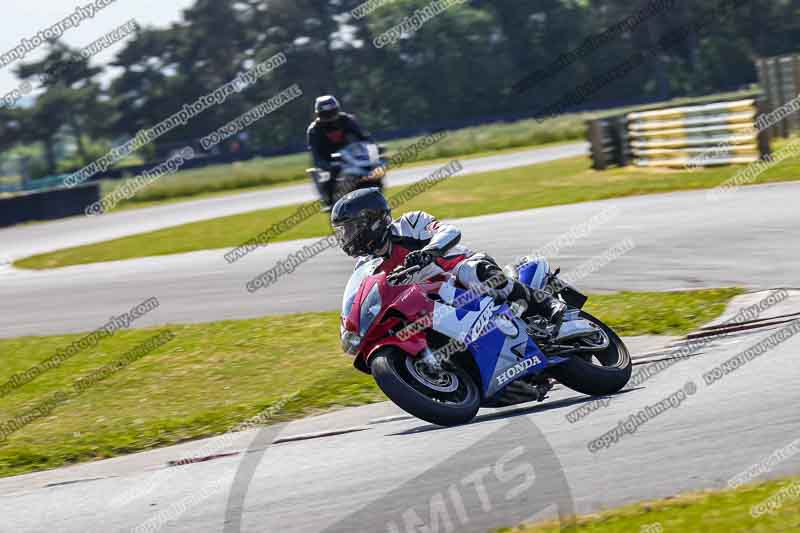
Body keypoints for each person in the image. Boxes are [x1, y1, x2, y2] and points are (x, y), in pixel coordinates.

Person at [330, 187, 571, 333]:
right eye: (342, 232)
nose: (347, 238)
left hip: (460, 273)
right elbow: (365, 297)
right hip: (434, 299)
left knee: (472, 271)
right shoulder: (366, 265)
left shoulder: (409, 224)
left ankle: (547, 305)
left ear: (372, 221)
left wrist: (430, 251)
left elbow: (450, 232)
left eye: (350, 229)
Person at [307, 95, 372, 209]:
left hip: (350, 155)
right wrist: (325, 164)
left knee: (372, 167)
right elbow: (315, 155)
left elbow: (363, 136)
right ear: (318, 114)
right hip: (329, 160)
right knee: (331, 176)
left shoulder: (347, 120)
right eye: (326, 114)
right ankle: (332, 202)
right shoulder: (314, 130)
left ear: (337, 109)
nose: (330, 116)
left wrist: (373, 146)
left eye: (332, 112)